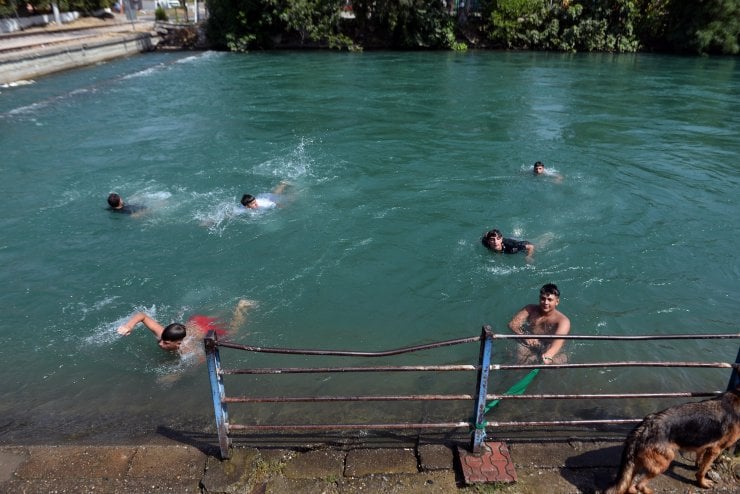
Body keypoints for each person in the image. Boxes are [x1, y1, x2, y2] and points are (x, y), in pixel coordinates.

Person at [117, 299, 255, 357]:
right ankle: (226, 309)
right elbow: (142, 315)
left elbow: (200, 359)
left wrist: (176, 375)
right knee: (215, 318)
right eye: (162, 340)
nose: (160, 343)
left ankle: (241, 307)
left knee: (232, 332)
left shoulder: (187, 348)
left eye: (165, 343)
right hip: (195, 321)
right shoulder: (163, 334)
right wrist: (129, 325)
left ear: (178, 343)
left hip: (203, 328)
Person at [507, 283, 571, 365]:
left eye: (550, 300)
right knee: (520, 355)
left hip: (549, 346)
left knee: (558, 362)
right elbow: (513, 324)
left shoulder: (563, 321)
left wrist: (549, 354)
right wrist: (524, 335)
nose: (545, 302)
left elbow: (558, 341)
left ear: (557, 302)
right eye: (543, 298)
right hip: (531, 342)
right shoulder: (530, 309)